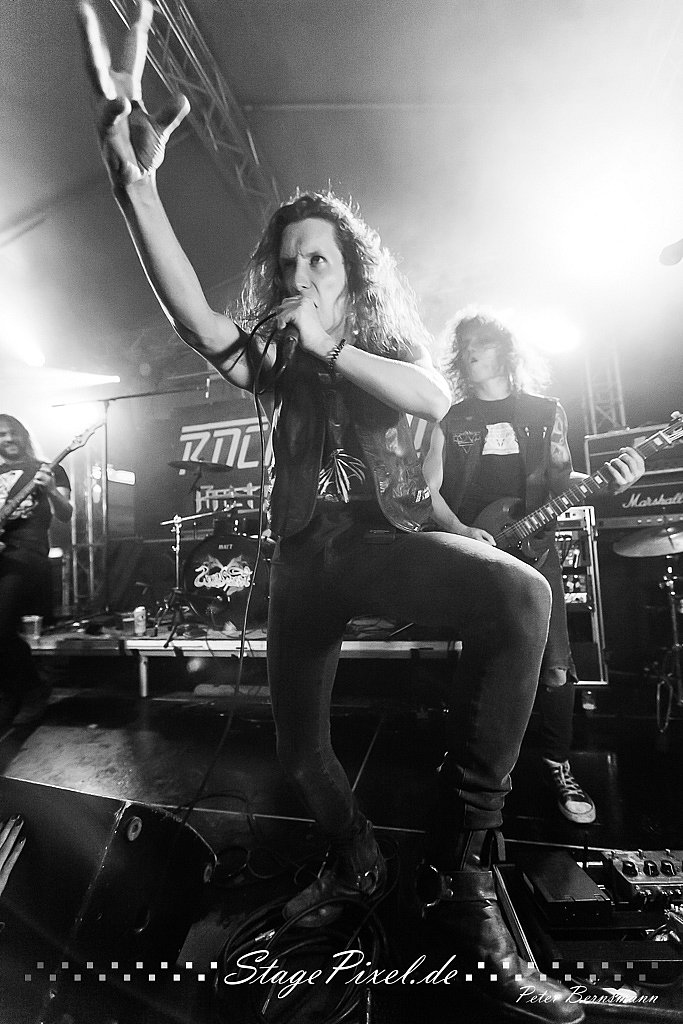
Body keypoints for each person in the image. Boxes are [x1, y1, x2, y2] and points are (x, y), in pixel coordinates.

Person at [77, 5, 585, 1020]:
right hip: (305, 559)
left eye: (319, 260)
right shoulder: (274, 357)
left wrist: (455, 527)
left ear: (352, 277)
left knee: (523, 595)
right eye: (288, 263)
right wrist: (137, 190)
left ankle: (460, 874)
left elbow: (430, 405)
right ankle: (354, 861)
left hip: (378, 544)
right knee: (301, 750)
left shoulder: (382, 352)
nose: (299, 275)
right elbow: (198, 321)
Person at [423, 310, 645, 824]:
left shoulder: (546, 412)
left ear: (506, 350)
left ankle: (556, 764)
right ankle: (472, 766)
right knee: (482, 660)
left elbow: (563, 481)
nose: (470, 351)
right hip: (478, 552)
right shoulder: (450, 418)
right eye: (464, 343)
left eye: (482, 342)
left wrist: (611, 481)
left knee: (556, 666)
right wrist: (460, 531)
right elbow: (425, 490)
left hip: (537, 553)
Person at [0, 416, 72, 729]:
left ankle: (31, 689)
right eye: (1, 435)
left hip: (26, 553)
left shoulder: (48, 468)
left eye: (12, 433)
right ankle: (14, 690)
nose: (8, 439)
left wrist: (51, 490)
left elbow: (66, 514)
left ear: (24, 435)